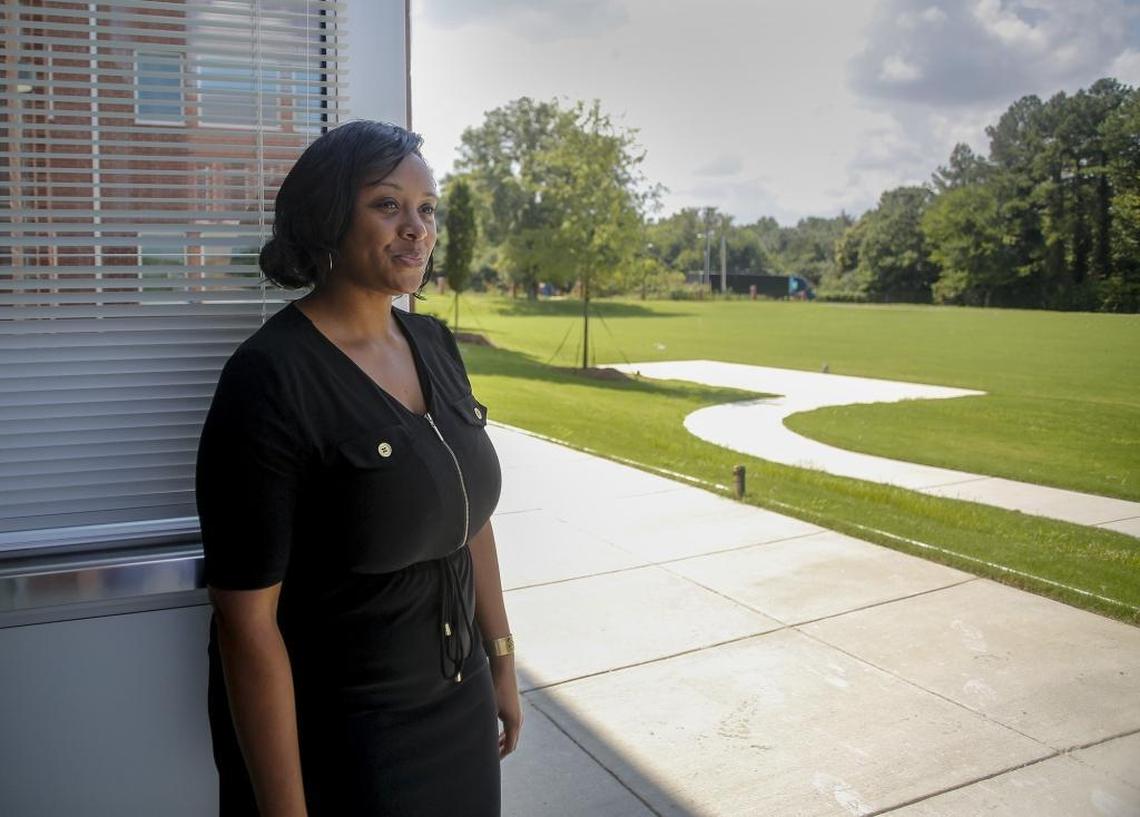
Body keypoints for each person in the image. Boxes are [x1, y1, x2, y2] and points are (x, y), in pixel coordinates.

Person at [195, 120, 521, 817]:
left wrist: (501, 656)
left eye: (427, 208)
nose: (416, 228)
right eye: (387, 205)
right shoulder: (271, 378)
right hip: (349, 736)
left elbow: (472, 517)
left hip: (459, 709)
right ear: (328, 215)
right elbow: (244, 623)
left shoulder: (433, 342)